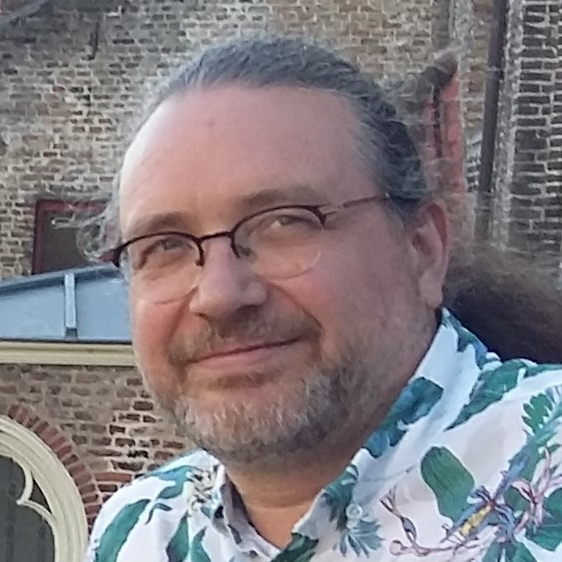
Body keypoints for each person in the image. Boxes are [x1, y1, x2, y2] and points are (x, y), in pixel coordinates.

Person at [85, 37, 562, 562]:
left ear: (423, 250)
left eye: (285, 223)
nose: (219, 295)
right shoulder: (139, 531)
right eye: (164, 246)